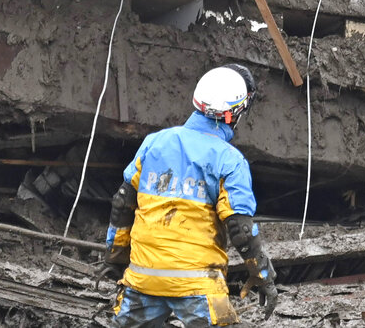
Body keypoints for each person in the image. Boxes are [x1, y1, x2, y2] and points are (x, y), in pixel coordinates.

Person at [105, 64, 278, 327]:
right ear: (234, 113)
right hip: (199, 286)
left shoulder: (153, 143)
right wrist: (263, 275)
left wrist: (115, 259)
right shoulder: (229, 160)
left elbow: (122, 204)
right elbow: (241, 230)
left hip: (142, 279)